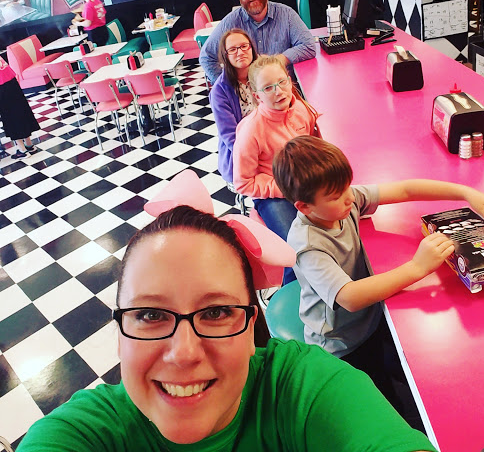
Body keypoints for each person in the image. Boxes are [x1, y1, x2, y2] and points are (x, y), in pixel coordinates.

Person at [16, 172, 438, 452]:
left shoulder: (300, 388)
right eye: (150, 315)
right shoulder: (84, 434)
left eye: (216, 312)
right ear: (120, 327)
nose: (183, 353)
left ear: (251, 323)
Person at [273, 135, 484, 408]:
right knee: (378, 400)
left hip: (370, 320)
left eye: (348, 187)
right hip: (342, 344)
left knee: (390, 372)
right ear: (304, 207)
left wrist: (465, 192)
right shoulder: (308, 245)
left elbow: (405, 190)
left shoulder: (342, 204)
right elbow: (349, 297)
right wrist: (417, 267)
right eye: (337, 195)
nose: (350, 197)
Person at [233, 55, 320, 285]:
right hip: (272, 194)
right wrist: (286, 188)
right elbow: (243, 183)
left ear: (290, 81)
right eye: (268, 88)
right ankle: (293, 294)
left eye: (282, 82)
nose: (279, 91)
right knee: (294, 250)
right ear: (257, 95)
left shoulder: (300, 108)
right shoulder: (251, 131)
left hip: (304, 183)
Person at [199, 0, 315, 84]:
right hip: (248, 92)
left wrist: (277, 60)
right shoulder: (230, 23)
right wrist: (228, 87)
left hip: (283, 87)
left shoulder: (287, 14)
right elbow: (206, 57)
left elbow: (308, 45)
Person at [210, 28, 258, 187]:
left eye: (244, 46)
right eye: (232, 49)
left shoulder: (263, 75)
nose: (240, 52)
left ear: (251, 48)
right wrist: (259, 157)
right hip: (241, 156)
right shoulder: (220, 91)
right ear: (225, 55)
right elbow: (230, 136)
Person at [0, 57, 40, 159]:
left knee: (10, 117)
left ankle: (22, 150)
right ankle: (29, 145)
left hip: (2, 87)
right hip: (11, 81)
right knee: (21, 111)